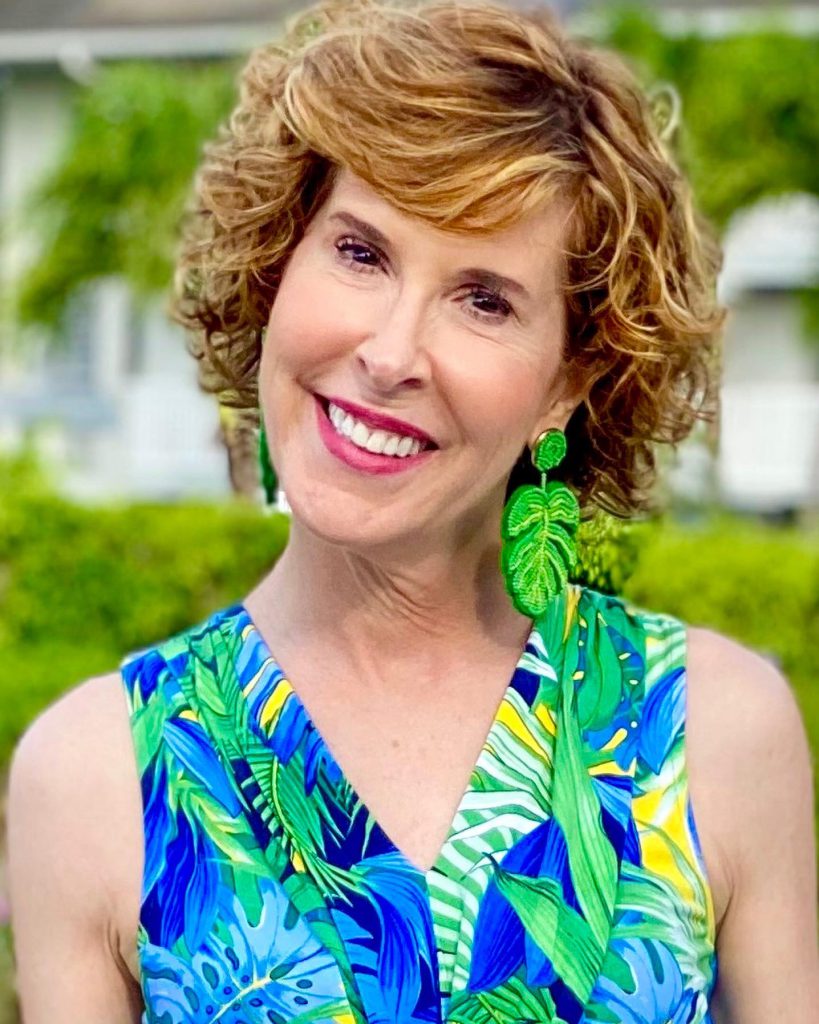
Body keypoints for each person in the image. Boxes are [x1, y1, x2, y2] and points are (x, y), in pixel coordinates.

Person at [6, 0, 818, 1020]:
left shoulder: (717, 731)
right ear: (277, 266)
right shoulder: (96, 777)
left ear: (568, 382)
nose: (391, 355)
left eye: (484, 299)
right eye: (360, 252)